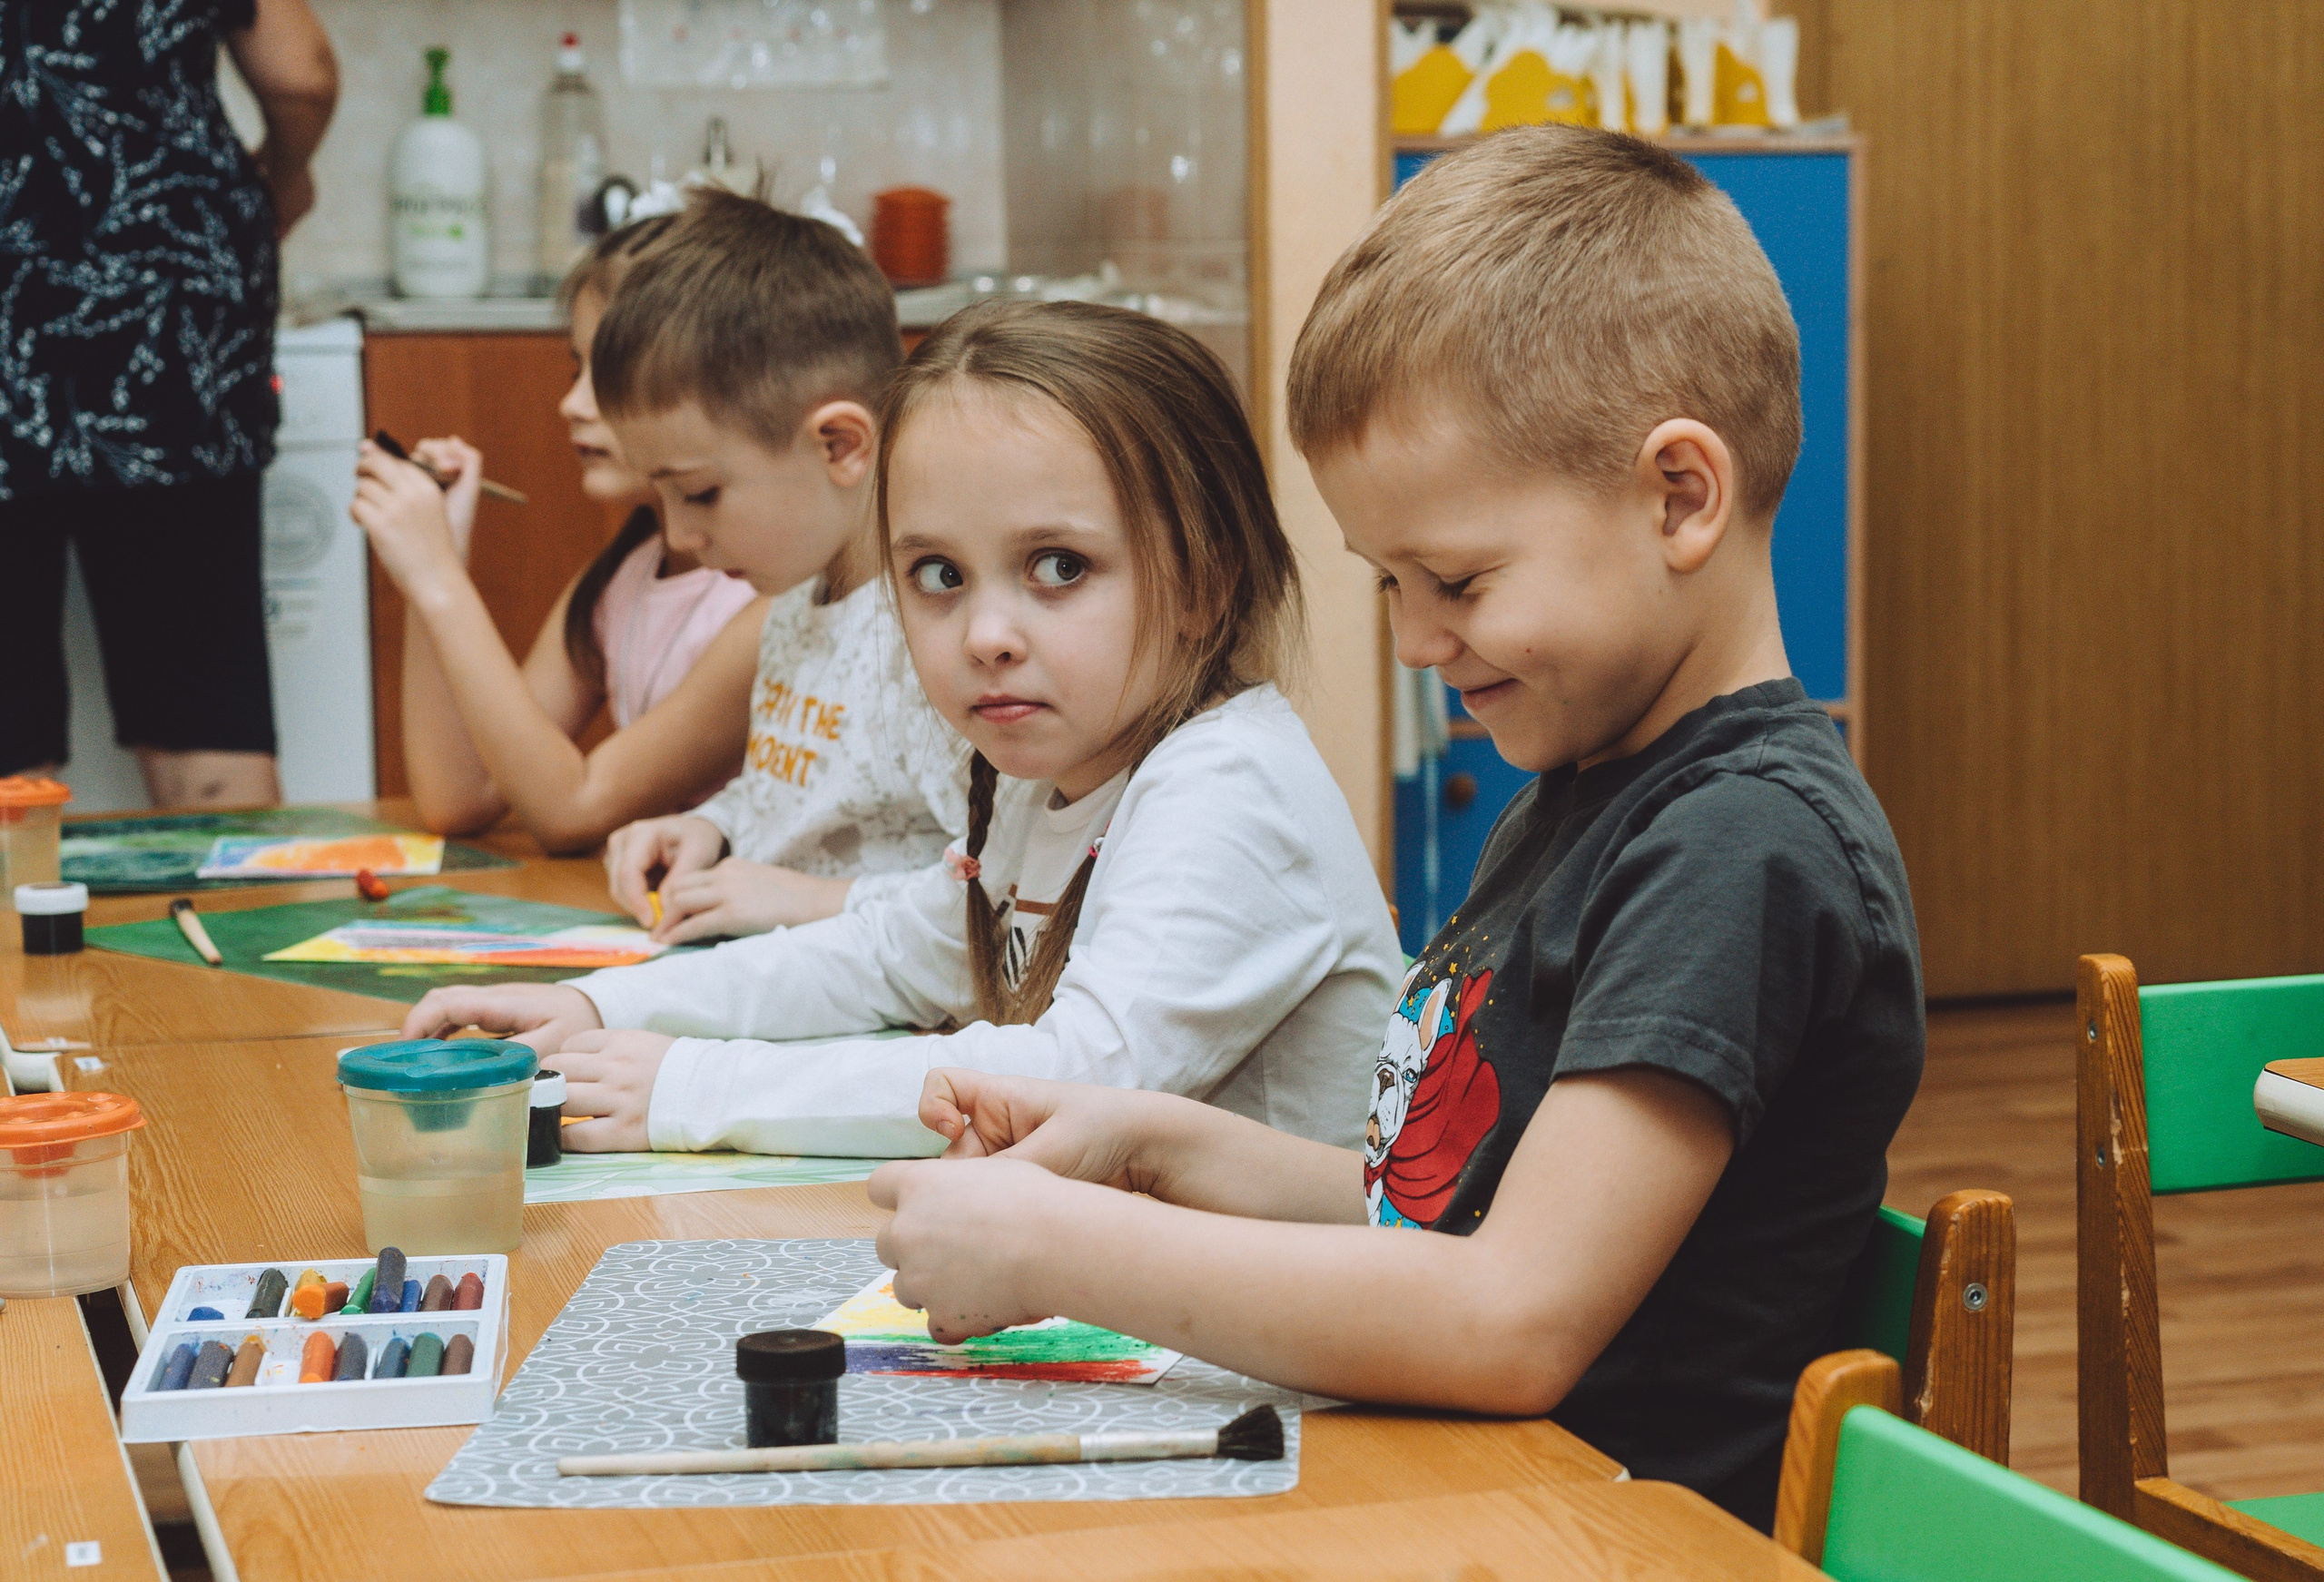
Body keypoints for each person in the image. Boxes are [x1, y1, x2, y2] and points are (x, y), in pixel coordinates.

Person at [862, 127, 1926, 1532]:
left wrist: (1068, 1243)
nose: (1419, 639)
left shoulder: (1741, 847)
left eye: (1459, 579)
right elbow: (1448, 1206)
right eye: (1387, 583)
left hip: (1602, 1534)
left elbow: (1508, 1315)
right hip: (1466, 1498)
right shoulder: (1578, 797)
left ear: (1680, 496)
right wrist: (1160, 1146)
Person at [399, 301, 1400, 1158]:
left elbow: (1072, 1079)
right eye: (937, 576)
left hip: (1294, 1368)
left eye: (1059, 567)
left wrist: (697, 1089)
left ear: (1206, 579)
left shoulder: (1226, 786)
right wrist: (606, 1009)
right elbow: (891, 948)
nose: (987, 636)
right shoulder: (1047, 771)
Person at [0, 0, 336, 805]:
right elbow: (301, 76)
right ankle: (233, 929)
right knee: (206, 734)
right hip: (165, 304)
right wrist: (285, 176)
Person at [350, 217, 765, 852]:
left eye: (611, 371)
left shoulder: (765, 603)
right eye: (578, 368)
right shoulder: (625, 577)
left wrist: (436, 578)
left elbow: (571, 807)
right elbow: (458, 797)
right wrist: (438, 563)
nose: (572, 403)